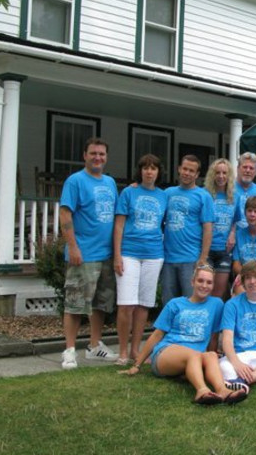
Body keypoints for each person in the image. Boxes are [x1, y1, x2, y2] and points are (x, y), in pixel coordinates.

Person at [120, 265, 248, 405]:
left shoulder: (216, 304)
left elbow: (214, 336)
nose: (204, 285)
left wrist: (211, 356)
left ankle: (223, 391)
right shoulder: (175, 304)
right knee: (194, 354)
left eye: (209, 282)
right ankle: (202, 391)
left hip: (195, 357)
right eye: (200, 281)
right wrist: (137, 365)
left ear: (213, 286)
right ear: (192, 282)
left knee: (211, 355)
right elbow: (157, 335)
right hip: (166, 352)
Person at [59, 137, 118, 369]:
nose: (97, 158)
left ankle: (94, 346)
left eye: (102, 154)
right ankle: (70, 350)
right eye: (93, 153)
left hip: (106, 255)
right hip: (83, 254)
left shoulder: (110, 183)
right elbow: (65, 214)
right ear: (85, 155)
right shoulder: (75, 181)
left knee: (100, 304)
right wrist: (73, 247)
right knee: (75, 304)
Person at [113, 154, 168, 365]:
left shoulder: (164, 196)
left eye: (153, 168)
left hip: (154, 254)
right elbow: (118, 225)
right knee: (126, 304)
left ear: (158, 172)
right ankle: (123, 351)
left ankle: (136, 350)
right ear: (140, 171)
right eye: (145, 168)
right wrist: (117, 255)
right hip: (129, 253)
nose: (149, 171)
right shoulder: (129, 192)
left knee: (144, 304)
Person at [160, 155, 214, 305]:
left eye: (191, 171)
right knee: (168, 304)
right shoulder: (167, 193)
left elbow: (208, 229)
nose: (187, 173)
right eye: (185, 169)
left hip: (191, 259)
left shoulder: (203, 196)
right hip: (168, 258)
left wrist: (203, 258)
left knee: (191, 303)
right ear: (179, 169)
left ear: (197, 174)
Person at [204, 158, 237, 298]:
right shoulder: (204, 195)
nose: (221, 176)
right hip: (206, 250)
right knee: (204, 292)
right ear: (212, 175)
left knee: (218, 294)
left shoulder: (235, 197)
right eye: (217, 173)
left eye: (224, 173)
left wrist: (233, 233)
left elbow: (236, 219)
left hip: (224, 251)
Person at [234, 152, 256, 230]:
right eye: (245, 167)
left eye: (251, 168)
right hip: (232, 237)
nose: (248, 170)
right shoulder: (229, 188)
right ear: (238, 168)